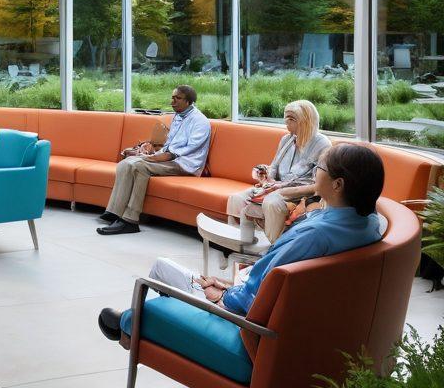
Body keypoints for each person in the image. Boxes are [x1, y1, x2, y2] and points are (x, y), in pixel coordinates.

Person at [98, 143, 385, 341]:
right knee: (212, 279)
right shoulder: (369, 224)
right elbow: (272, 276)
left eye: (320, 168)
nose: (315, 174)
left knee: (162, 269)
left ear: (337, 185)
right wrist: (232, 284)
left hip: (246, 321)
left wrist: (224, 296)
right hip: (291, 316)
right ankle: (150, 322)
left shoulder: (316, 235)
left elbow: (261, 291)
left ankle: (130, 327)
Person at [97, 84, 212, 236]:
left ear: (189, 101)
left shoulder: (200, 122)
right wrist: (153, 152)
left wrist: (166, 155)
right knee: (126, 163)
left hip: (185, 164)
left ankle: (130, 221)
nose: (173, 101)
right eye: (172, 98)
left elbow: (190, 148)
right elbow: (170, 143)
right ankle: (115, 212)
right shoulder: (178, 116)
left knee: (138, 166)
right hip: (169, 159)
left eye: (177, 98)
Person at [226, 100, 331, 242]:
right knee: (236, 198)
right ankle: (238, 243)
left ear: (305, 121)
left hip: (298, 192)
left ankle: (274, 246)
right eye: (286, 117)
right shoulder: (286, 139)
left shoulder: (322, 144)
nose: (286, 122)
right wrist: (265, 175)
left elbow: (318, 183)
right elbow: (274, 166)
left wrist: (279, 187)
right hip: (275, 186)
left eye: (291, 119)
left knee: (271, 202)